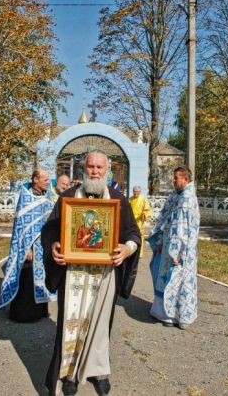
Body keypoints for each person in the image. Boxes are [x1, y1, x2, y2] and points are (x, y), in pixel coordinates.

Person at [41, 150, 141, 396]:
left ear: (107, 170)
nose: (94, 172)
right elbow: (50, 230)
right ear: (83, 169)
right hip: (73, 273)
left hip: (105, 275)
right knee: (70, 325)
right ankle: (71, 374)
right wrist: (54, 246)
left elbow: (134, 234)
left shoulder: (118, 199)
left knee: (98, 324)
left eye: (99, 167)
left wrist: (127, 250)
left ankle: (99, 372)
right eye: (90, 167)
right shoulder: (67, 198)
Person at [0, 168, 56, 322]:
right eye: (44, 179)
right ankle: (24, 315)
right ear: (35, 180)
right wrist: (27, 249)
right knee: (27, 278)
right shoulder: (26, 198)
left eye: (48, 179)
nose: (48, 181)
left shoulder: (46, 197)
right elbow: (21, 227)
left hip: (43, 247)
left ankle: (40, 311)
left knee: (41, 278)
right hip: (29, 248)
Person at [148, 166, 200, 330]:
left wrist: (176, 253)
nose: (173, 180)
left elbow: (181, 229)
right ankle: (169, 314)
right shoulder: (178, 196)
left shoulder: (185, 200)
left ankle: (173, 316)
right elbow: (169, 221)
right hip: (172, 246)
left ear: (185, 179)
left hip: (178, 250)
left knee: (175, 281)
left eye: (176, 177)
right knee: (167, 279)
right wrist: (160, 241)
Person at [129, 185, 152, 258]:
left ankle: (139, 253)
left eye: (136, 192)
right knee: (131, 236)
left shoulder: (143, 199)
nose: (135, 193)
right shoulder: (130, 199)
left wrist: (144, 214)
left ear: (140, 192)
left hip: (139, 221)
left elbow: (147, 209)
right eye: (134, 191)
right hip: (131, 220)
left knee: (139, 236)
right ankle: (132, 251)